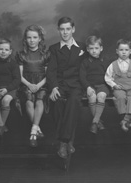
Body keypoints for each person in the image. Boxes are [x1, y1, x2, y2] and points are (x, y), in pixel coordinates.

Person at [46, 17, 86, 159]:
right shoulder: (54, 49)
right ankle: (67, 141)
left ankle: (63, 141)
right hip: (60, 85)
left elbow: (86, 68)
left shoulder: (82, 47)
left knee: (73, 102)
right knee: (56, 102)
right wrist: (54, 87)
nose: (65, 32)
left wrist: (89, 87)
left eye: (68, 29)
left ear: (73, 29)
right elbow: (51, 71)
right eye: (62, 29)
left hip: (75, 85)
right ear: (58, 30)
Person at [16, 25, 49, 147]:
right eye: (29, 37)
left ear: (40, 38)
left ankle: (33, 131)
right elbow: (19, 76)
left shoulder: (45, 55)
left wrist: (38, 85)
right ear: (25, 39)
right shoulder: (21, 54)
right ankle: (37, 129)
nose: (32, 40)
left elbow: (47, 75)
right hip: (26, 83)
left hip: (42, 83)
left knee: (40, 101)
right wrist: (29, 85)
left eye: (35, 37)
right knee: (29, 103)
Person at [105, 39, 131, 132]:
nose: (124, 52)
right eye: (121, 50)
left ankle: (125, 121)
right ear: (117, 51)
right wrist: (114, 85)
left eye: (126, 50)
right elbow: (107, 78)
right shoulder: (113, 65)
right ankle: (126, 119)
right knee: (120, 97)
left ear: (130, 51)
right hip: (119, 88)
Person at [0, 38, 21, 136]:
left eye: (6, 50)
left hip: (10, 88)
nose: (3, 52)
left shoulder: (13, 64)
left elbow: (17, 80)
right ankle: (1, 125)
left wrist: (7, 89)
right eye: (1, 49)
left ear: (10, 51)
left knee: (6, 100)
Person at [79, 35, 110, 134]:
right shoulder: (85, 62)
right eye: (91, 48)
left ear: (101, 48)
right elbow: (82, 77)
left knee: (101, 96)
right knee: (92, 96)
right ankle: (98, 122)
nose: (94, 51)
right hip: (90, 86)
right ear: (87, 49)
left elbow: (109, 76)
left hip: (102, 86)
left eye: (96, 48)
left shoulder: (105, 61)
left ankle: (94, 122)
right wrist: (87, 87)